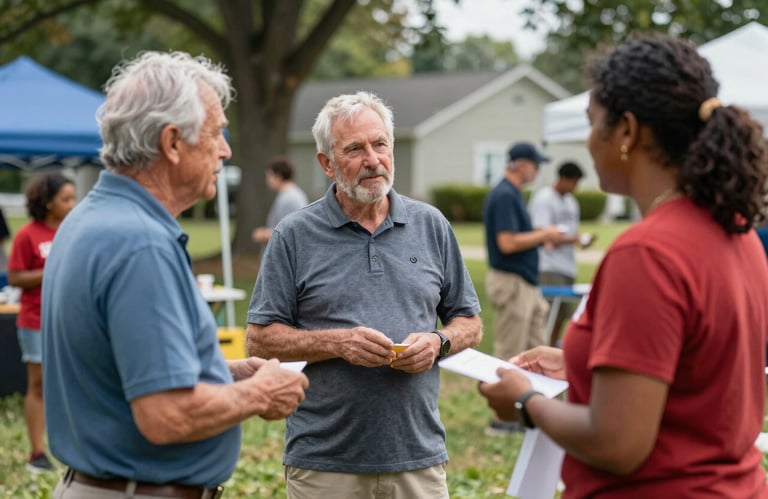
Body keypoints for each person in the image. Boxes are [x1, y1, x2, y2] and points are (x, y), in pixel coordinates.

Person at [479, 33, 768, 498]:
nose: (590, 141)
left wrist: (524, 400)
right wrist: (583, 367)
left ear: (628, 132)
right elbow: (694, 378)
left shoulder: (649, 252)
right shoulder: (737, 230)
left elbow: (618, 443)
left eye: (594, 123)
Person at [41, 51, 308, 499]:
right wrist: (260, 393)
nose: (225, 149)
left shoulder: (91, 218)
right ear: (172, 142)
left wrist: (228, 372)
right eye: (216, 132)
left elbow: (124, 366)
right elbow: (166, 414)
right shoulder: (140, 242)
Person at [246, 91, 482, 499]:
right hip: (325, 462)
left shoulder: (431, 225)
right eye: (354, 148)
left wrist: (438, 341)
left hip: (418, 458)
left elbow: (471, 322)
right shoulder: (294, 235)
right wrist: (338, 342)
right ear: (326, 163)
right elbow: (260, 338)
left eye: (380, 143)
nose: (372, 159)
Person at [482, 141, 563, 434]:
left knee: (533, 348)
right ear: (519, 164)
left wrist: (542, 235)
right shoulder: (504, 195)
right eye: (534, 164)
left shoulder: (513, 195)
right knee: (511, 350)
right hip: (511, 281)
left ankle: (531, 411)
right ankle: (501, 419)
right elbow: (508, 242)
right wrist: (544, 234)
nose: (537, 170)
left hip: (525, 282)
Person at [8, 172, 75, 473]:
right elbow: (15, 277)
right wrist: (51, 271)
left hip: (68, 319)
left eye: (74, 198)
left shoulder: (73, 231)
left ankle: (69, 446)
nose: (72, 205)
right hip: (35, 319)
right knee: (38, 384)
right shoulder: (28, 235)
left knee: (66, 383)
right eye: (66, 199)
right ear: (48, 204)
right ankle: (36, 453)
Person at [528, 161, 595, 346]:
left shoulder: (572, 202)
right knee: (547, 315)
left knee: (562, 316)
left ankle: (550, 348)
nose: (575, 188)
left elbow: (570, 233)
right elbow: (542, 234)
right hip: (548, 265)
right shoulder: (545, 199)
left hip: (567, 266)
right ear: (563, 179)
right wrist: (573, 240)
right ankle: (541, 349)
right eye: (573, 182)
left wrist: (581, 240)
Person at [251, 155, 309, 245]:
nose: (267, 180)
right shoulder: (291, 195)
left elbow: (290, 232)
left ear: (278, 176)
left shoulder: (289, 199)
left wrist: (263, 235)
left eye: (269, 175)